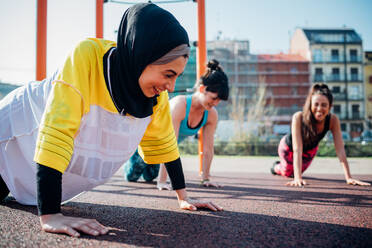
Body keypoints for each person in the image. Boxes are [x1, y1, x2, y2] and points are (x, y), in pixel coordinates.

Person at [0, 3, 222, 238]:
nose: (172, 86)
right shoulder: (86, 57)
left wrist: (183, 197)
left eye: (176, 76)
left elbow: (166, 144)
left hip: (35, 159)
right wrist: (51, 215)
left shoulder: (156, 97)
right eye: (168, 74)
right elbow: (58, 132)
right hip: (13, 135)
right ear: (142, 54)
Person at [124, 59, 229, 189]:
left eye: (219, 100)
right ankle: (130, 157)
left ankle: (152, 173)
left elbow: (208, 149)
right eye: (214, 98)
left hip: (164, 154)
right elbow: (169, 143)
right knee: (132, 177)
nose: (216, 103)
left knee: (149, 176)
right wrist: (162, 182)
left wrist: (205, 179)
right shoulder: (180, 105)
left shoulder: (211, 114)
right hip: (148, 144)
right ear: (202, 89)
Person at [271, 83, 370, 187]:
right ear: (310, 105)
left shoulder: (333, 120)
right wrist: (298, 178)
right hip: (288, 147)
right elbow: (297, 149)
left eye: (324, 105)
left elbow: (340, 150)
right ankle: (275, 167)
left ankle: (290, 170)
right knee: (288, 173)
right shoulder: (299, 117)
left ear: (330, 106)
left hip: (310, 150)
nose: (319, 109)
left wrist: (348, 177)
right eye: (316, 104)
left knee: (294, 172)